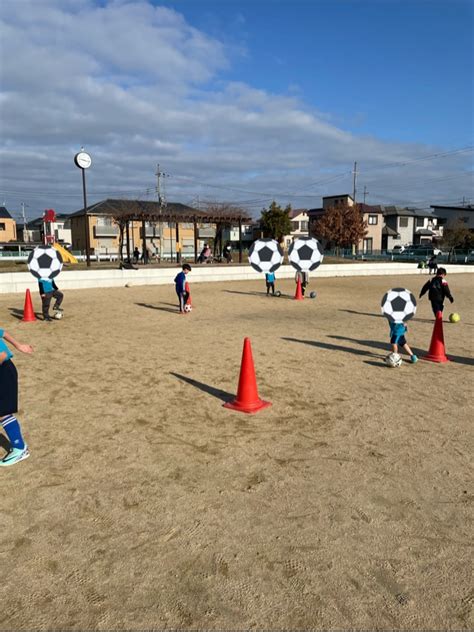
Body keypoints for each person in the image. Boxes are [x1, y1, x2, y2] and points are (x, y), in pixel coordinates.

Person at [0, 328, 33, 466]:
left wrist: (18, 346)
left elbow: (1, 355)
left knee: (2, 412)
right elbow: (2, 332)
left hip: (3, 371)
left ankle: (20, 448)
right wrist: (19, 345)